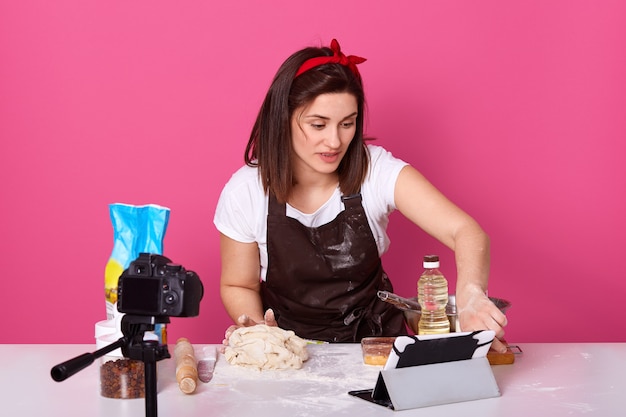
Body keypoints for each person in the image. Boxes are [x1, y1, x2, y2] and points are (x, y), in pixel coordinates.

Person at [214, 39, 508, 352]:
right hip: (291, 352)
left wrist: (471, 294)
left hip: (378, 346)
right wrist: (261, 332)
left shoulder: (375, 170)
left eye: (347, 124)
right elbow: (239, 284)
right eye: (318, 124)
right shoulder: (246, 191)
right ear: (283, 119)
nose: (334, 141)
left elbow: (465, 231)